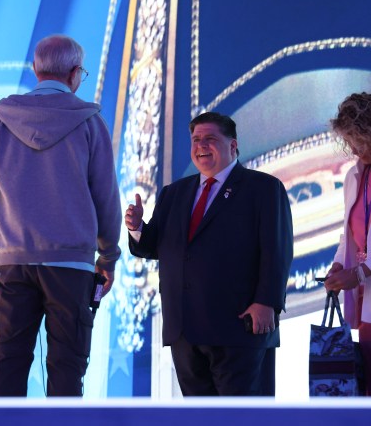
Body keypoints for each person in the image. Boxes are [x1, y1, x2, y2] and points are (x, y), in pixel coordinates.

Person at [0, 34, 122, 397]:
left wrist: (14, 217)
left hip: (13, 260)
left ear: (36, 70)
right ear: (74, 73)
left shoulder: (0, 119)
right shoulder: (89, 122)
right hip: (71, 264)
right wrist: (109, 254)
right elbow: (105, 195)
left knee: (7, 364)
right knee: (67, 367)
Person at [125, 112, 293, 396]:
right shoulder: (173, 194)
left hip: (240, 327)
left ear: (233, 145)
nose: (201, 145)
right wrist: (138, 227)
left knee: (240, 419)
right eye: (196, 139)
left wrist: (267, 301)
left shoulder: (263, 188)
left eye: (210, 139)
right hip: (185, 330)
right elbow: (155, 247)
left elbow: (277, 249)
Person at [324, 92, 371, 396]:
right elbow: (349, 233)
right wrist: (341, 263)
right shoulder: (355, 175)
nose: (352, 148)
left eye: (357, 139)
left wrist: (361, 272)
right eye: (348, 140)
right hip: (369, 306)